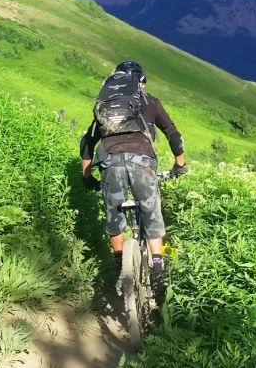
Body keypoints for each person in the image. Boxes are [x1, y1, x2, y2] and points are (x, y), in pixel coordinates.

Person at [80, 60, 187, 287]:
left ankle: (119, 263)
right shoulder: (151, 103)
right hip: (142, 160)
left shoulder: (107, 104)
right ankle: (157, 265)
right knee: (151, 209)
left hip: (110, 160)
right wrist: (179, 165)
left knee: (113, 212)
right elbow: (173, 135)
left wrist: (87, 176)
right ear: (139, 81)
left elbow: (88, 142)